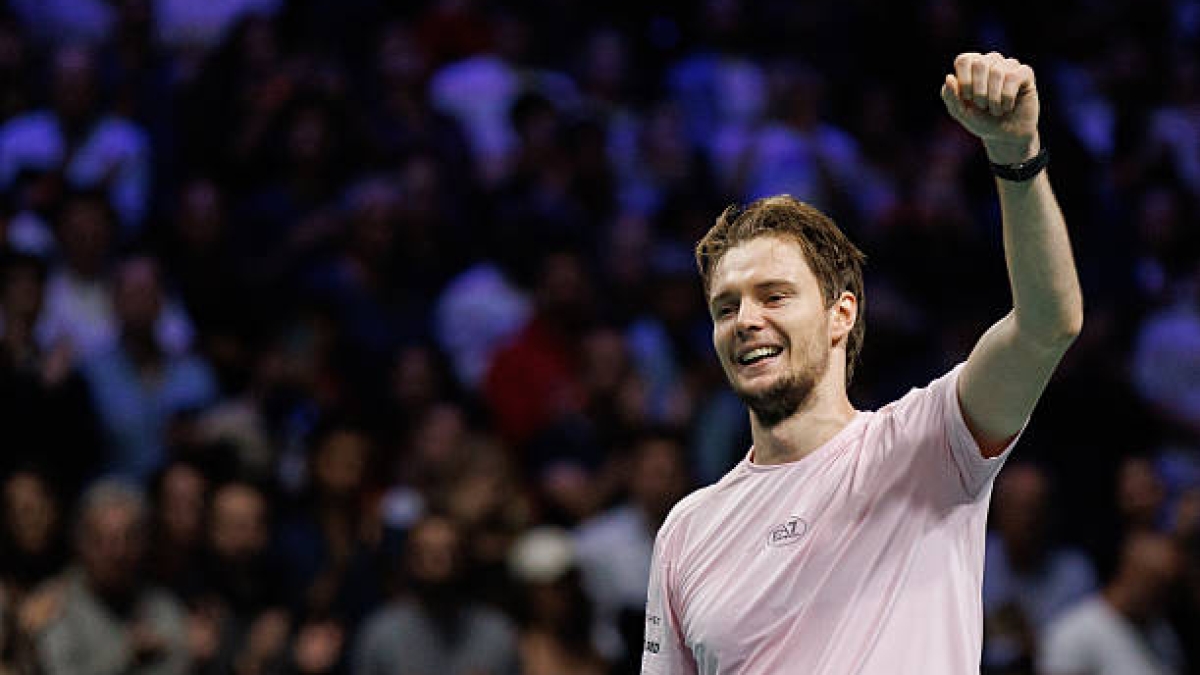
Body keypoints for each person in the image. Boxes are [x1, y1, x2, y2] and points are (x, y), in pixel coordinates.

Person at [641, 51, 1083, 675]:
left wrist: (1017, 155)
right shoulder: (686, 532)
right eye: (725, 306)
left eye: (774, 295)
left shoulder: (926, 446)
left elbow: (1047, 327)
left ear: (840, 315)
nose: (745, 320)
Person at [1038, 532, 1185, 675]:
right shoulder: (1075, 635)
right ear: (1130, 574)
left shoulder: (1162, 634)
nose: (1164, 599)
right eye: (1157, 586)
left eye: (1170, 590)